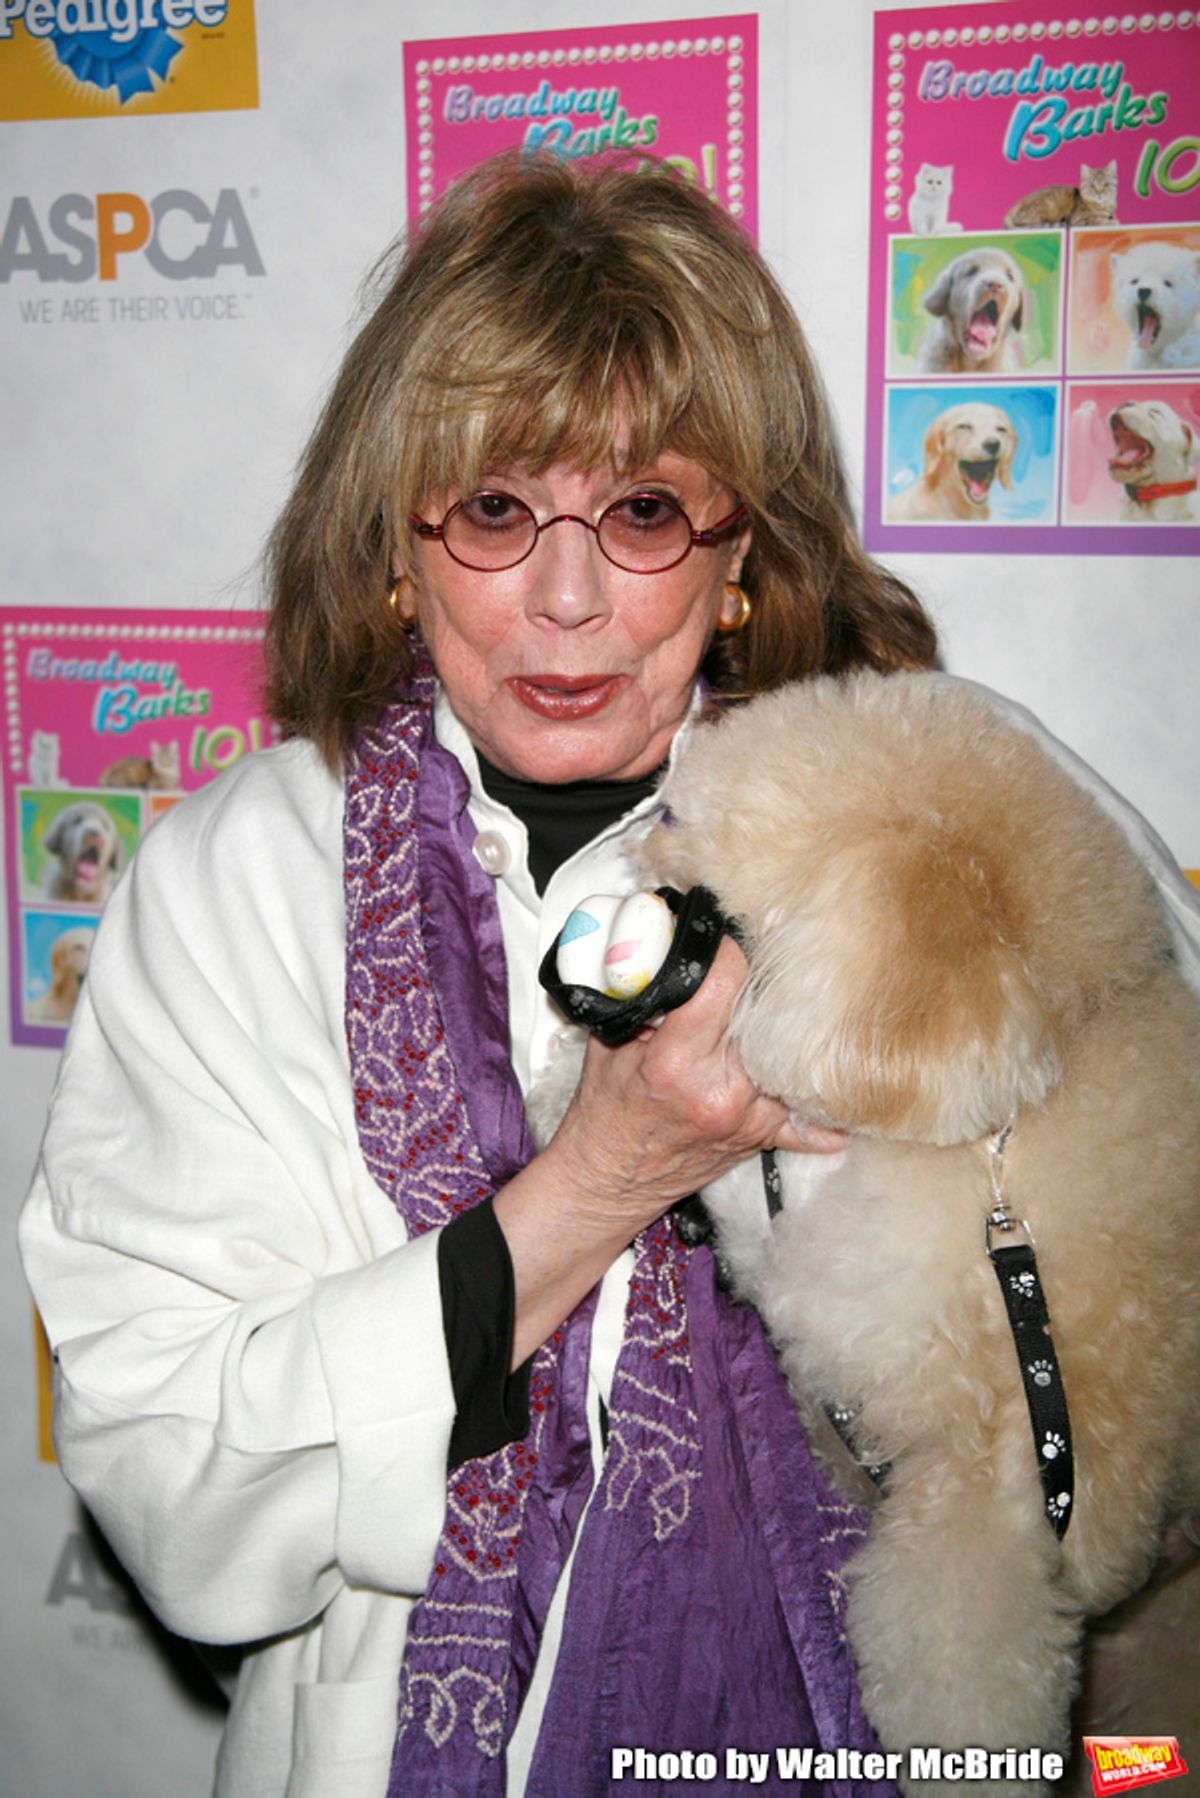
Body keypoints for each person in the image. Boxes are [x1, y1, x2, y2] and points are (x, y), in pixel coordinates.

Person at [20, 155, 1200, 1798]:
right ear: (395, 545)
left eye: (643, 510)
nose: (565, 598)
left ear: (735, 553)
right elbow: (172, 1481)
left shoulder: (960, 807)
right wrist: (604, 1180)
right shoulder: (236, 882)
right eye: (496, 508)